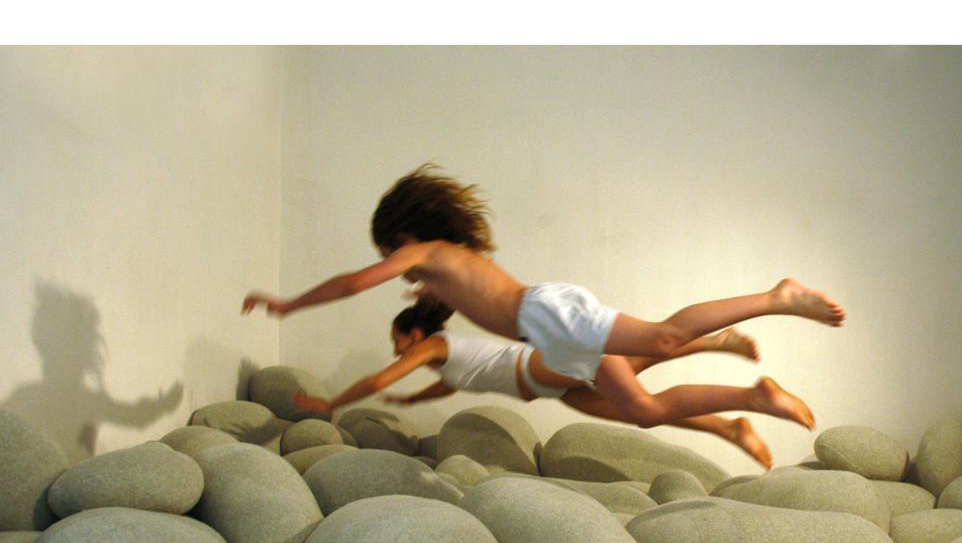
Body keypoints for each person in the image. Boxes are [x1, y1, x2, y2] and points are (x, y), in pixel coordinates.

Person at [243, 164, 845, 434]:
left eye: (389, 252)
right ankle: (756, 398)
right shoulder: (444, 268)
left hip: (545, 315)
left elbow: (353, 283)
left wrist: (288, 305)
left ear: (401, 235)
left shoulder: (424, 251)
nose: (393, 265)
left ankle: (776, 296)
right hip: (547, 338)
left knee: (663, 338)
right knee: (642, 410)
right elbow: (456, 310)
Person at [292, 295, 777, 468]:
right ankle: (728, 426)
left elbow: (380, 376)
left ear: (413, 333)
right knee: (640, 409)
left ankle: (714, 343)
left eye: (398, 340)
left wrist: (332, 401)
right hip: (549, 386)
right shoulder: (442, 361)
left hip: (534, 367)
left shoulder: (432, 345)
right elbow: (456, 383)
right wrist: (414, 398)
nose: (397, 349)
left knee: (629, 365)